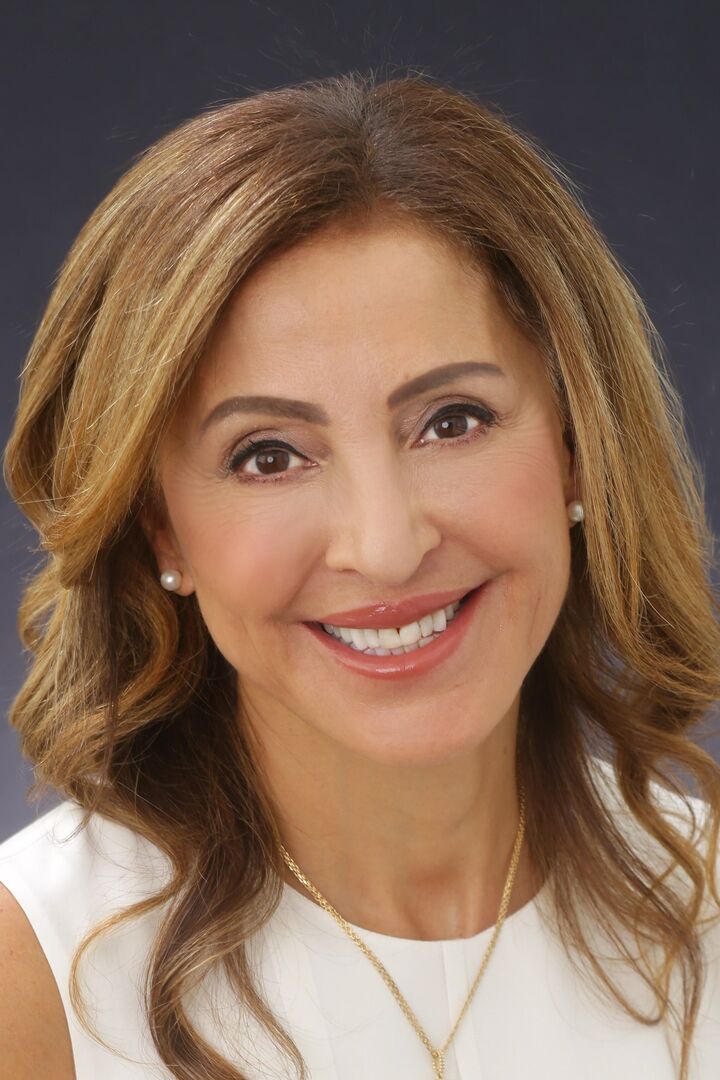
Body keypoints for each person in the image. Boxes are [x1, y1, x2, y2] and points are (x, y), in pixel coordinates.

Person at [0, 70, 719, 1080]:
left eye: (452, 421)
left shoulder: (708, 900)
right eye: (268, 455)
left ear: (575, 448)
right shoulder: (34, 979)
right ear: (161, 532)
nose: (385, 546)